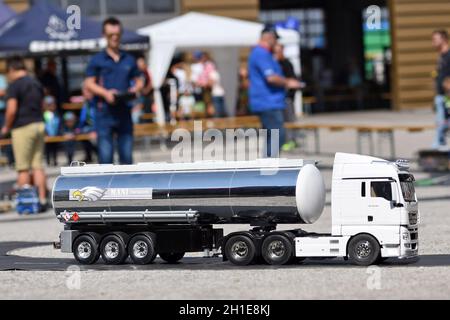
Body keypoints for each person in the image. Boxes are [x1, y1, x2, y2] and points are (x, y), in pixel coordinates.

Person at [84, 17, 143, 164]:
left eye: (117, 34)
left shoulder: (129, 59)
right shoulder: (97, 59)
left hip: (124, 111)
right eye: (111, 35)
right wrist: (106, 93)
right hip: (104, 113)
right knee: (105, 159)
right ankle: (106, 187)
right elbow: (89, 84)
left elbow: (140, 79)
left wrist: (136, 88)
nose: (115, 37)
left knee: (127, 158)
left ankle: (127, 187)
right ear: (104, 35)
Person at [1, 56, 48, 211]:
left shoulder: (15, 85)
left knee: (22, 167)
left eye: (7, 73)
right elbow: (42, 104)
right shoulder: (36, 82)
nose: (7, 76)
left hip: (22, 126)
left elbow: (11, 109)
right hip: (38, 123)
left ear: (13, 70)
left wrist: (6, 127)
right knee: (37, 165)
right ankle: (41, 199)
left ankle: (26, 202)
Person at [248, 26, 301, 157]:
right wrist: (288, 82)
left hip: (269, 101)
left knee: (272, 136)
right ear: (268, 37)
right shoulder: (261, 53)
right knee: (279, 135)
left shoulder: (265, 54)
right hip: (268, 102)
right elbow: (271, 77)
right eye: (275, 39)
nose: (276, 43)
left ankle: (267, 166)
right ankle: (268, 167)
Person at [273, 43, 300, 152]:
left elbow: (292, 81)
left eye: (278, 51)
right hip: (278, 98)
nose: (277, 53)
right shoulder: (273, 63)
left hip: (287, 97)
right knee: (281, 121)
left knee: (289, 120)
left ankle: (291, 140)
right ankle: (284, 141)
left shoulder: (287, 64)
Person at [431, 30, 450, 149]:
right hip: (441, 96)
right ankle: (440, 146)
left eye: (435, 40)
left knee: (442, 123)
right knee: (440, 123)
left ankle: (438, 147)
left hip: (447, 96)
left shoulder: (449, 55)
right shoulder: (441, 56)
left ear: (443, 39)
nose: (433, 43)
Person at [42, 89, 61, 166]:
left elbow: (58, 124)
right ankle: (48, 161)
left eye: (52, 104)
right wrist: (45, 133)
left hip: (55, 134)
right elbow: (43, 125)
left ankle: (54, 160)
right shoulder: (44, 115)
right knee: (48, 149)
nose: (51, 106)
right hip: (47, 134)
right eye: (49, 105)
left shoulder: (56, 114)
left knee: (55, 148)